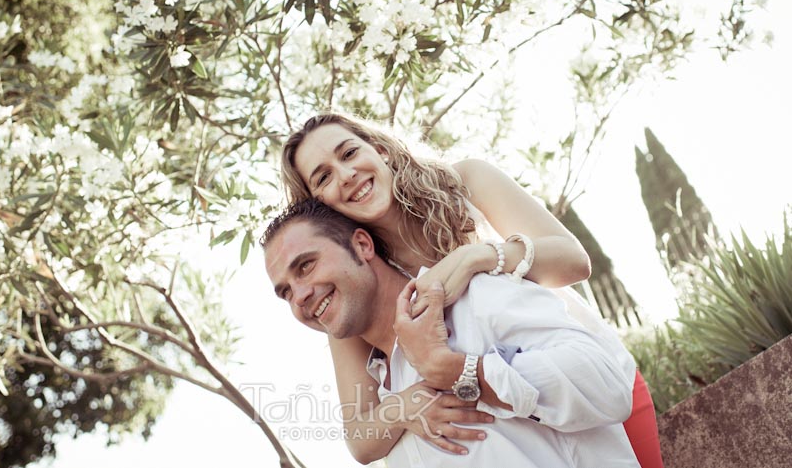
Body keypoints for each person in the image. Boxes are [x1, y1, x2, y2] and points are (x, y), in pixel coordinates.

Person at [279, 112, 663, 467]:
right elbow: (361, 439)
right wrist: (405, 406)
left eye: (349, 153)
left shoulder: (465, 181)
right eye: (323, 177)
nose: (346, 174)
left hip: (576, 380)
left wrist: (477, 257)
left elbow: (573, 261)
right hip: (508, 423)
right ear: (319, 206)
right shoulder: (358, 281)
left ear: (379, 150)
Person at [262, 199, 640, 467]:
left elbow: (607, 384)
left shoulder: (477, 298)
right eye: (285, 293)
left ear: (362, 245)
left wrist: (464, 372)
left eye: (306, 266)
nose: (300, 297)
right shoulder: (386, 405)